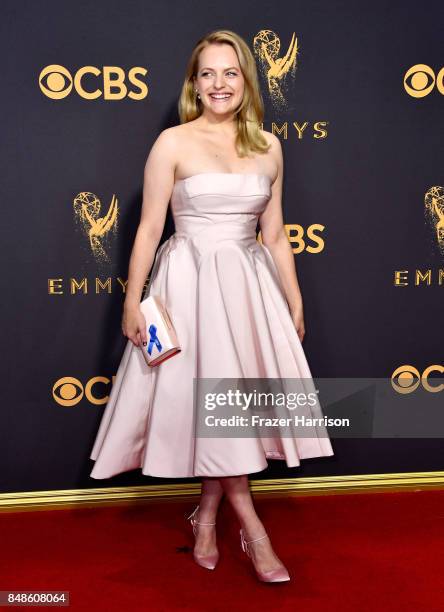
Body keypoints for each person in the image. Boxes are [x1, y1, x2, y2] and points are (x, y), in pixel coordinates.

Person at [89, 29, 334, 584]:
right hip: (187, 286)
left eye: (230, 72)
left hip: (248, 292)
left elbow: (275, 235)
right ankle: (253, 528)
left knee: (226, 406)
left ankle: (206, 515)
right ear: (193, 84)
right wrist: (133, 303)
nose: (219, 84)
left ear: (246, 81)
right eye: (207, 74)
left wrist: (292, 301)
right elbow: (149, 228)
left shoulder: (270, 146)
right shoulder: (172, 143)